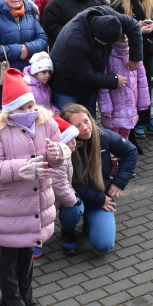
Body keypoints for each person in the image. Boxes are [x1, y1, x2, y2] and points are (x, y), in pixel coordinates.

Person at [0, 68, 64, 306]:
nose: (28, 112)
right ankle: (10, 298)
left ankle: (26, 293)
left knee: (27, 250)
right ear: (9, 111)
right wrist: (21, 168)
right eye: (21, 108)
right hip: (11, 205)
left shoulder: (46, 122)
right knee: (9, 253)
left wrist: (58, 154)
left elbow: (56, 157)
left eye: (30, 106)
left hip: (38, 202)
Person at [59, 103, 137, 257]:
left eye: (86, 121)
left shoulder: (104, 136)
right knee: (72, 209)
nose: (85, 128)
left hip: (100, 195)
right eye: (78, 125)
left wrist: (119, 183)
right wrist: (100, 199)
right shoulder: (63, 146)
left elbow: (131, 152)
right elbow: (70, 183)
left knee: (104, 246)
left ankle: (90, 223)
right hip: (76, 195)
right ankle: (67, 232)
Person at [49, 6, 142, 117]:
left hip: (88, 88)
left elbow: (134, 25)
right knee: (69, 126)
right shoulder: (74, 41)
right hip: (66, 86)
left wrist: (135, 57)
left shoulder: (110, 16)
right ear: (97, 39)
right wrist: (114, 80)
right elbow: (86, 76)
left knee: (90, 125)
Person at [97, 34, 149, 140]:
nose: (125, 39)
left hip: (131, 104)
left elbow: (142, 80)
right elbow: (103, 87)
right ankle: (113, 154)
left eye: (126, 36)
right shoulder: (107, 56)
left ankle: (122, 153)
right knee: (113, 134)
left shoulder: (134, 54)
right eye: (121, 37)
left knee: (126, 133)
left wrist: (143, 103)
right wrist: (106, 108)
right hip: (114, 107)